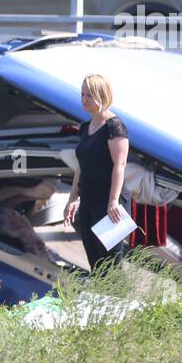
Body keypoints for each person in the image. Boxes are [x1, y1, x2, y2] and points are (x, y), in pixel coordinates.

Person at [64, 73, 130, 272]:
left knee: (111, 265)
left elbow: (120, 165)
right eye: (82, 94)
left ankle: (118, 301)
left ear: (102, 95)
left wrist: (113, 201)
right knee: (94, 260)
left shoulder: (114, 127)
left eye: (90, 95)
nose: (84, 100)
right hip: (88, 200)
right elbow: (81, 166)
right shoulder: (86, 127)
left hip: (109, 203)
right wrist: (72, 199)